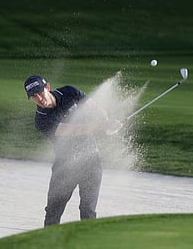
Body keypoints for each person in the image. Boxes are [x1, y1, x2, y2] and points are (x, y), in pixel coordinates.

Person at [24, 75, 121, 227]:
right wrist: (103, 126)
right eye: (34, 97)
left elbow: (96, 108)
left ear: (47, 87)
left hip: (91, 160)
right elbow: (76, 130)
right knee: (53, 212)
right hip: (65, 166)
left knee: (88, 210)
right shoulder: (42, 120)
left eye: (40, 93)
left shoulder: (69, 92)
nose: (39, 98)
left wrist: (106, 120)